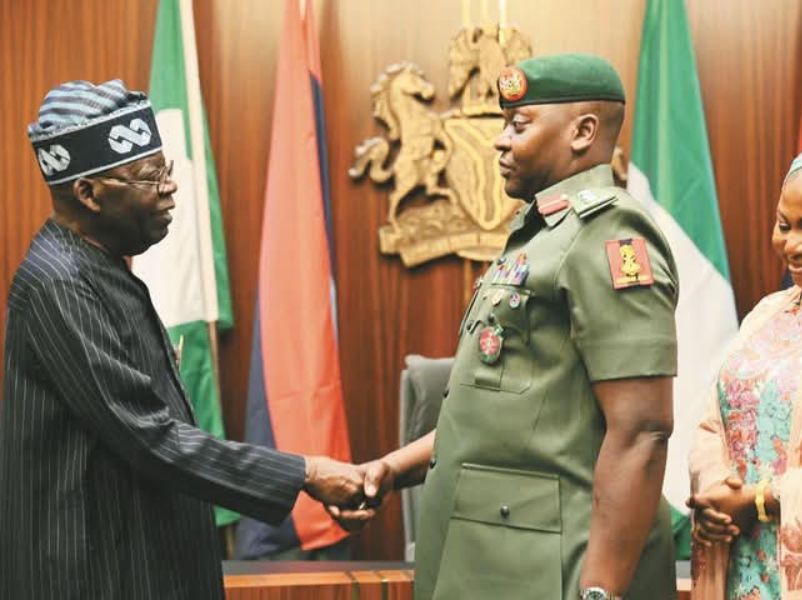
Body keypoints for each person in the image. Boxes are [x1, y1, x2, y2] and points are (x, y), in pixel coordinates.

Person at [0, 80, 365, 600]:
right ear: (88, 193)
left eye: (166, 169)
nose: (170, 187)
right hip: (92, 575)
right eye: (152, 176)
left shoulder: (98, 265)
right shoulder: (60, 283)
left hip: (136, 560)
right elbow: (150, 437)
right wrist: (304, 473)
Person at [333, 54, 680, 599]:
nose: (499, 140)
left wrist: (600, 592)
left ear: (583, 132)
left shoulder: (610, 231)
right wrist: (391, 469)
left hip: (556, 568)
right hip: (486, 558)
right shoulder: (540, 236)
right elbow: (495, 415)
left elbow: (642, 429)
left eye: (519, 125)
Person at [688, 154, 802, 598]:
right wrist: (716, 493)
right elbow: (712, 424)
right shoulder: (765, 315)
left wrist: (759, 500)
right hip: (740, 565)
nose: (792, 245)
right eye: (784, 225)